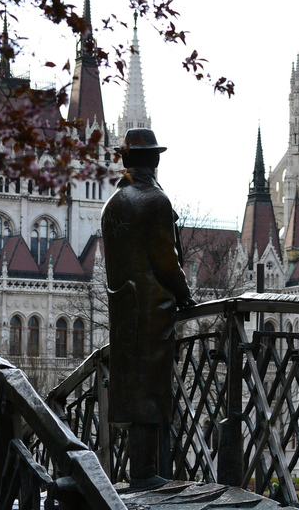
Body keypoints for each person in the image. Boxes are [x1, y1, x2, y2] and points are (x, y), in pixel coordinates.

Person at [101, 128, 197, 489]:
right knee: (151, 384)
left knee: (130, 383)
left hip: (123, 307)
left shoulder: (114, 202)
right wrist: (184, 293)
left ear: (125, 160)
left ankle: (139, 468)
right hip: (152, 306)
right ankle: (144, 471)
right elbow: (165, 259)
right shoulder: (153, 200)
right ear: (154, 160)